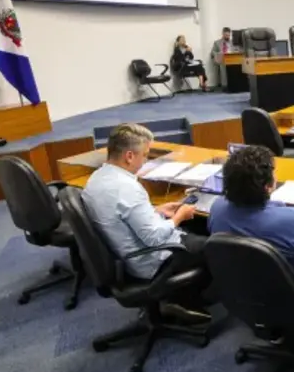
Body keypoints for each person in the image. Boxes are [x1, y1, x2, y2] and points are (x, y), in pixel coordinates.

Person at [81, 123, 208, 319]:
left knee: (193, 227)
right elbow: (154, 238)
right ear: (129, 156)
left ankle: (179, 295)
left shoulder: (97, 178)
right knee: (215, 244)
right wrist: (179, 217)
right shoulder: (127, 188)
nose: (146, 160)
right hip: (152, 261)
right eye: (145, 155)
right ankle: (182, 300)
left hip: (122, 257)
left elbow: (120, 214)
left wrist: (156, 211)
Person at [207, 145, 294, 299]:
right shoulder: (293, 219)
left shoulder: (217, 207)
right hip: (293, 300)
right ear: (268, 187)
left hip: (242, 296)